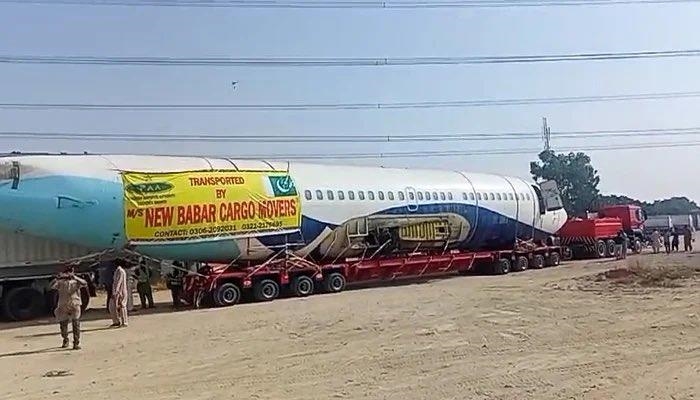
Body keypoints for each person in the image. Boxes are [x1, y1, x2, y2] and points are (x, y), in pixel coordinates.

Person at [50, 265, 87, 350]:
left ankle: (76, 342)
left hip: (75, 303)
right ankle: (65, 339)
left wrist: (75, 277)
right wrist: (58, 278)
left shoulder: (76, 281)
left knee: (76, 324)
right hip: (63, 304)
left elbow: (84, 283)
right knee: (63, 324)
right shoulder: (60, 282)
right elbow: (51, 286)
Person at [109, 260, 129, 327]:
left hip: (120, 291)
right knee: (112, 306)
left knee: (122, 306)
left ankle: (124, 322)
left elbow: (119, 282)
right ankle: (116, 321)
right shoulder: (117, 271)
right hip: (116, 291)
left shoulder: (120, 271)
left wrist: (117, 292)